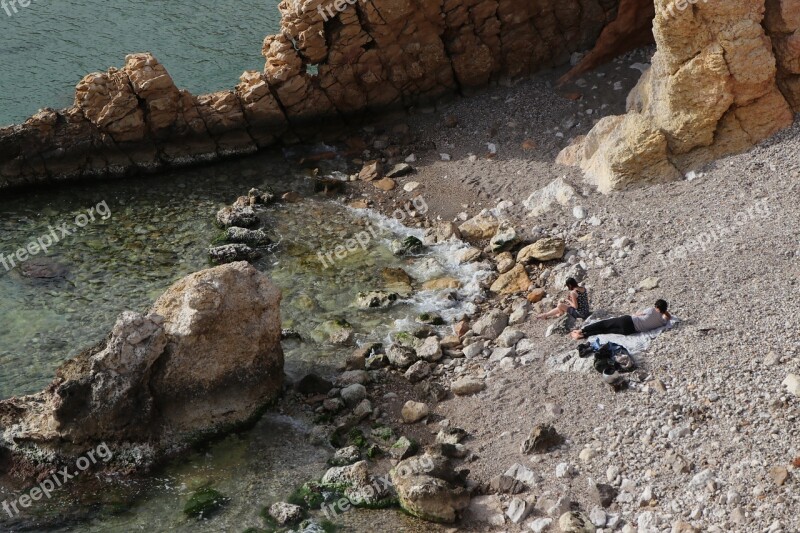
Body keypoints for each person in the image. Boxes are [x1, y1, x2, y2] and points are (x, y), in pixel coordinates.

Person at [570, 299, 671, 340]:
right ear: (664, 310)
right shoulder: (661, 322)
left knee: (604, 324)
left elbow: (638, 314)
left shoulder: (650, 310)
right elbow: (668, 317)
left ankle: (581, 330)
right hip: (629, 331)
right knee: (606, 331)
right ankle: (584, 335)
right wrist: (664, 312)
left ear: (656, 306)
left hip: (627, 320)